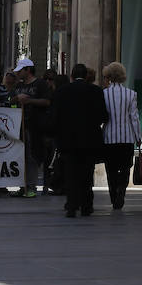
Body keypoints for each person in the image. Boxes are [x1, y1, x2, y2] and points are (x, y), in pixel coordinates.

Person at [50, 63, 109, 217]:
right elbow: (103, 115)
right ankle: (86, 205)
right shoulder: (96, 91)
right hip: (89, 140)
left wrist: (57, 136)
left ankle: (71, 205)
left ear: (71, 75)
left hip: (68, 140)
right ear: (86, 76)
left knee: (70, 173)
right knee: (87, 174)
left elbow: (55, 117)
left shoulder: (62, 91)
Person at [102, 61, 142, 210]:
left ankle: (113, 193)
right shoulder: (131, 94)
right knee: (125, 168)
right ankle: (121, 192)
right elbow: (134, 117)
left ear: (109, 76)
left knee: (110, 168)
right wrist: (138, 136)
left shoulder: (104, 94)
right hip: (126, 138)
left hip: (109, 138)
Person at [12, 57, 51, 198]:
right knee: (21, 155)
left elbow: (47, 101)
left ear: (28, 70)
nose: (18, 73)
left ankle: (31, 186)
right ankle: (23, 185)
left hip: (35, 126)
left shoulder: (40, 84)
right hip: (20, 125)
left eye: (20, 70)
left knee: (32, 156)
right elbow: (11, 100)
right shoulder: (19, 86)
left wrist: (29, 101)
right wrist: (17, 99)